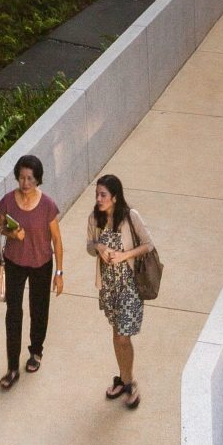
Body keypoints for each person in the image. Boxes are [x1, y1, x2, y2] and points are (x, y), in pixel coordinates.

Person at [86, 170, 156, 410]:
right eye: (97, 194)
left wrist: (124, 255)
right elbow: (89, 246)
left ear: (115, 197)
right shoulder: (94, 218)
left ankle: (129, 382)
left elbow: (148, 244)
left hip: (130, 286)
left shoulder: (130, 216)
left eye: (103, 195)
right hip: (109, 287)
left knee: (123, 336)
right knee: (117, 335)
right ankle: (124, 380)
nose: (99, 199)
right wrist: (99, 247)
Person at [0, 153, 64, 388]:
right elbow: (0, 226)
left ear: (38, 179)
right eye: (22, 177)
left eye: (30, 179)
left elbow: (57, 240)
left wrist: (59, 273)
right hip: (14, 262)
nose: (25, 183)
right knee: (13, 312)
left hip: (41, 263)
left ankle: (36, 352)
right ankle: (12, 368)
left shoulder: (47, 205)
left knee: (38, 309)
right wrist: (12, 233)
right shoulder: (8, 201)